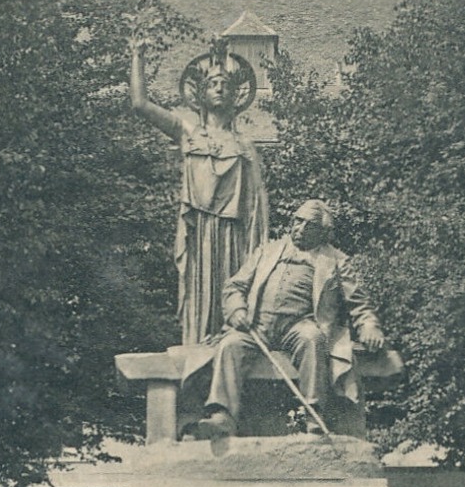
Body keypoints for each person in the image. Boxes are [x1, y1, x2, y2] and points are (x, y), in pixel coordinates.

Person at [191, 200, 386, 439]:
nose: (300, 228)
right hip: (256, 325)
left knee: (313, 339)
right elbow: (235, 286)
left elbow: (358, 303)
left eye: (309, 225)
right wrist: (237, 309)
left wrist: (369, 326)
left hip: (298, 326)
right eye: (298, 221)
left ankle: (313, 414)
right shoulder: (267, 251)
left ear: (323, 232)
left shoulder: (336, 260)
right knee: (230, 345)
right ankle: (222, 416)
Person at [130, 37, 268, 345]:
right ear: (201, 94)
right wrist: (137, 56)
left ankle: (232, 346)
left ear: (236, 96)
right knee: (200, 295)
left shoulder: (245, 146)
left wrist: (257, 250)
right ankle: (197, 345)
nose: (219, 88)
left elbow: (258, 205)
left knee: (233, 294)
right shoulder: (188, 133)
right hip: (200, 230)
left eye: (226, 85)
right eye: (213, 84)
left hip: (235, 234)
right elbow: (140, 104)